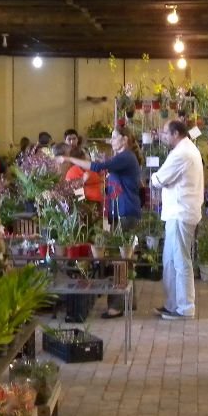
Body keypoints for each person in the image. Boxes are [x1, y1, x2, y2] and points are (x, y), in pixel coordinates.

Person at [59, 127, 143, 318]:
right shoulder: (124, 158)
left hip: (126, 212)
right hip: (121, 212)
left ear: (125, 139)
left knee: (118, 259)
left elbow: (97, 167)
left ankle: (117, 305)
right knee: (125, 257)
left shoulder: (125, 157)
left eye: (114, 137)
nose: (110, 140)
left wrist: (70, 158)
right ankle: (130, 301)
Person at [149, 119, 204, 320]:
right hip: (178, 212)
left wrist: (153, 179)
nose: (162, 136)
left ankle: (185, 308)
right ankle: (173, 304)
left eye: (165, 132)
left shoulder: (182, 153)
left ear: (175, 133)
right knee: (170, 261)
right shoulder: (186, 149)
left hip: (181, 212)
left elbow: (160, 178)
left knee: (180, 261)